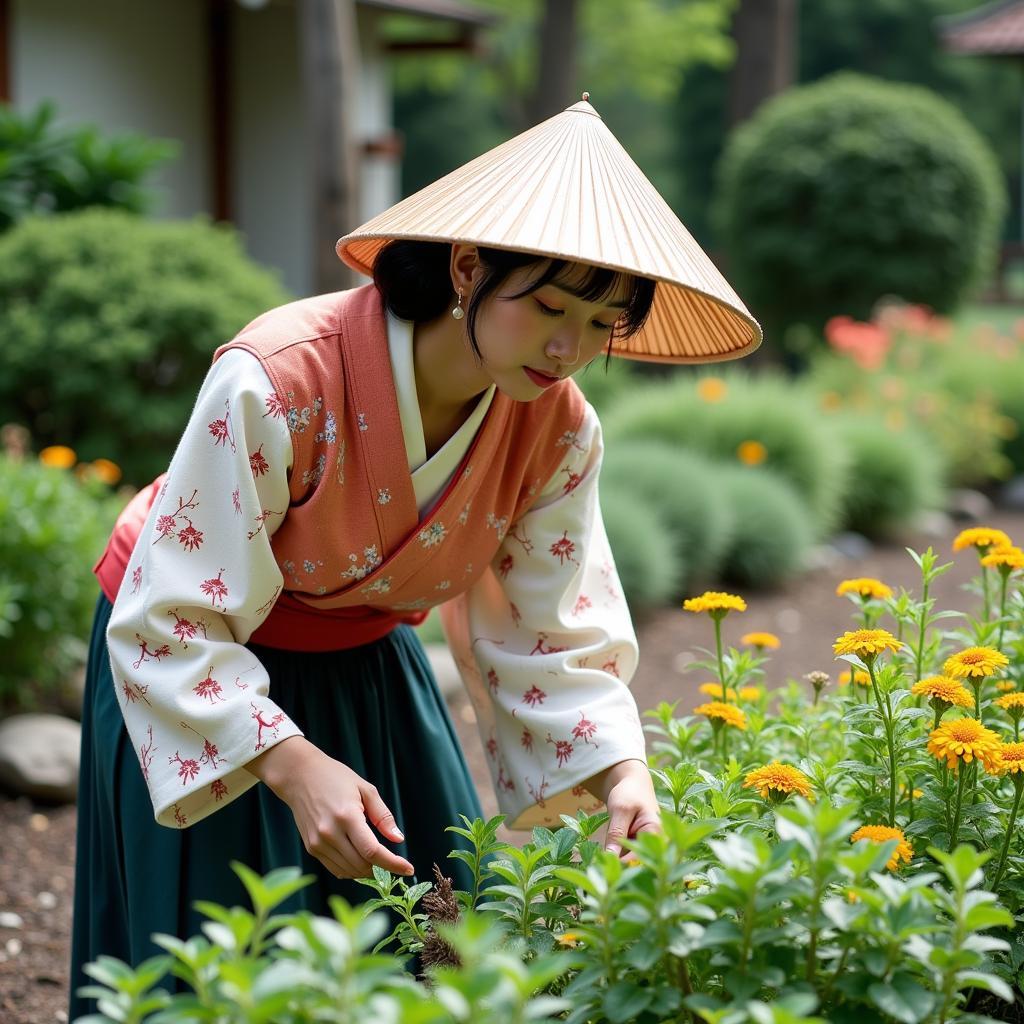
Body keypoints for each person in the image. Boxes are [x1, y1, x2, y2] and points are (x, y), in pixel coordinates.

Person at [68, 95, 760, 1017]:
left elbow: (553, 629)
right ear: (468, 267)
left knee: (434, 952)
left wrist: (619, 771)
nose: (568, 348)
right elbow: (173, 609)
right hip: (191, 667)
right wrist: (287, 760)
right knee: (220, 962)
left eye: (602, 326)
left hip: (368, 666)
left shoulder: (557, 431)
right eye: (549, 305)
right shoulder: (279, 377)